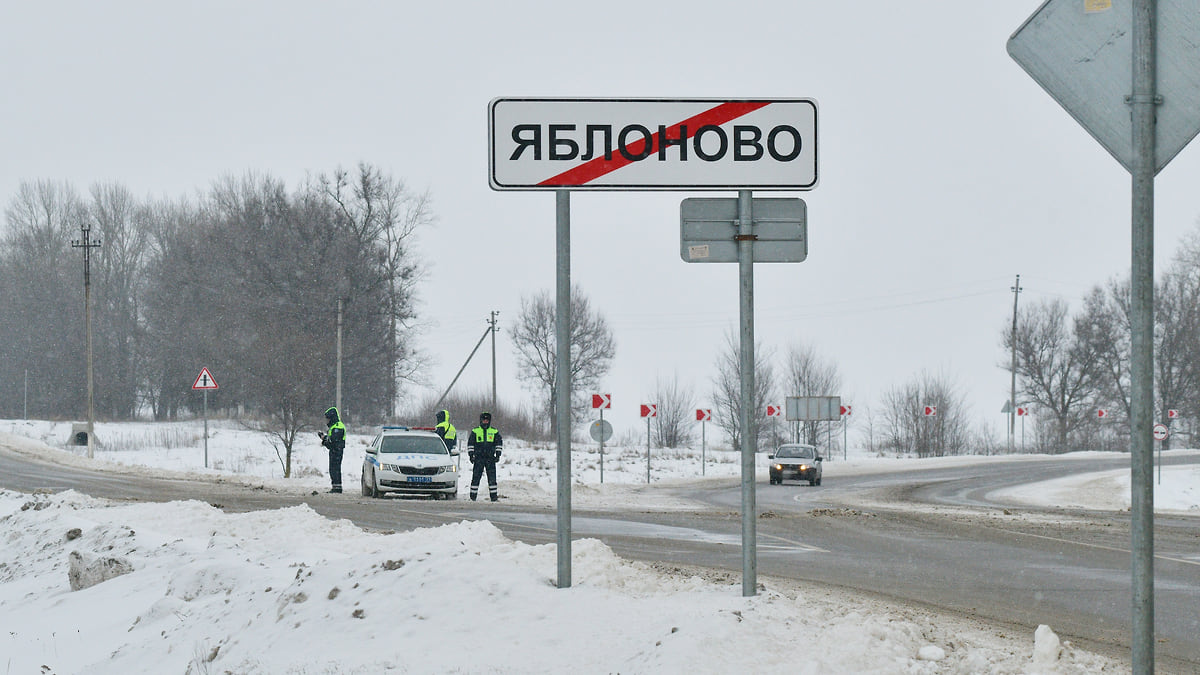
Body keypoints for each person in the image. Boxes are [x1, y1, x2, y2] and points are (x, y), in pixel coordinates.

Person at [466, 411, 503, 502]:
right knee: (476, 477)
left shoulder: (494, 431)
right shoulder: (475, 431)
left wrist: (498, 455)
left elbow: (499, 443)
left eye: (487, 420)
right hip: (479, 458)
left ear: (489, 421)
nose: (485, 422)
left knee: (492, 478)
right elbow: (470, 444)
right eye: (484, 420)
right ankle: (473, 497)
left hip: (490, 458)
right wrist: (471, 455)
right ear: (481, 420)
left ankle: (493, 497)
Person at [318, 406, 346, 493]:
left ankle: (337, 488)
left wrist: (325, 442)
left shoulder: (338, 427)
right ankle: (335, 486)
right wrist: (324, 438)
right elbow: (331, 439)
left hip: (337, 451)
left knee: (335, 469)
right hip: (335, 450)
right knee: (333, 469)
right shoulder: (334, 426)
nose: (327, 421)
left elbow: (333, 441)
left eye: (328, 419)